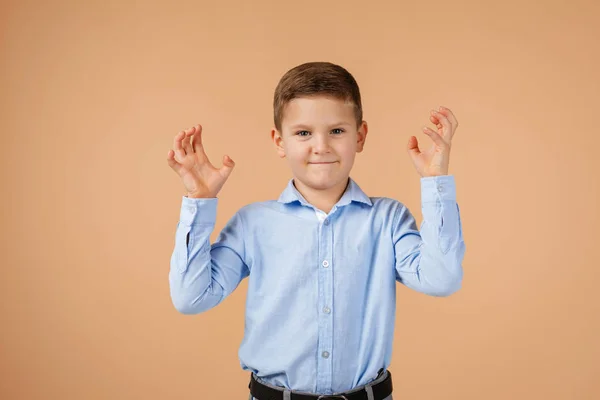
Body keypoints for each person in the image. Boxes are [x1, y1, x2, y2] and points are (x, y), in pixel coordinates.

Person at [166, 61, 465, 400]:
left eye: (337, 131)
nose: (321, 146)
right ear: (280, 141)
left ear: (360, 136)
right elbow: (191, 298)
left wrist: (436, 182)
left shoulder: (388, 220)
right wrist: (200, 201)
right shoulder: (253, 224)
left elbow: (442, 279)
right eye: (303, 132)